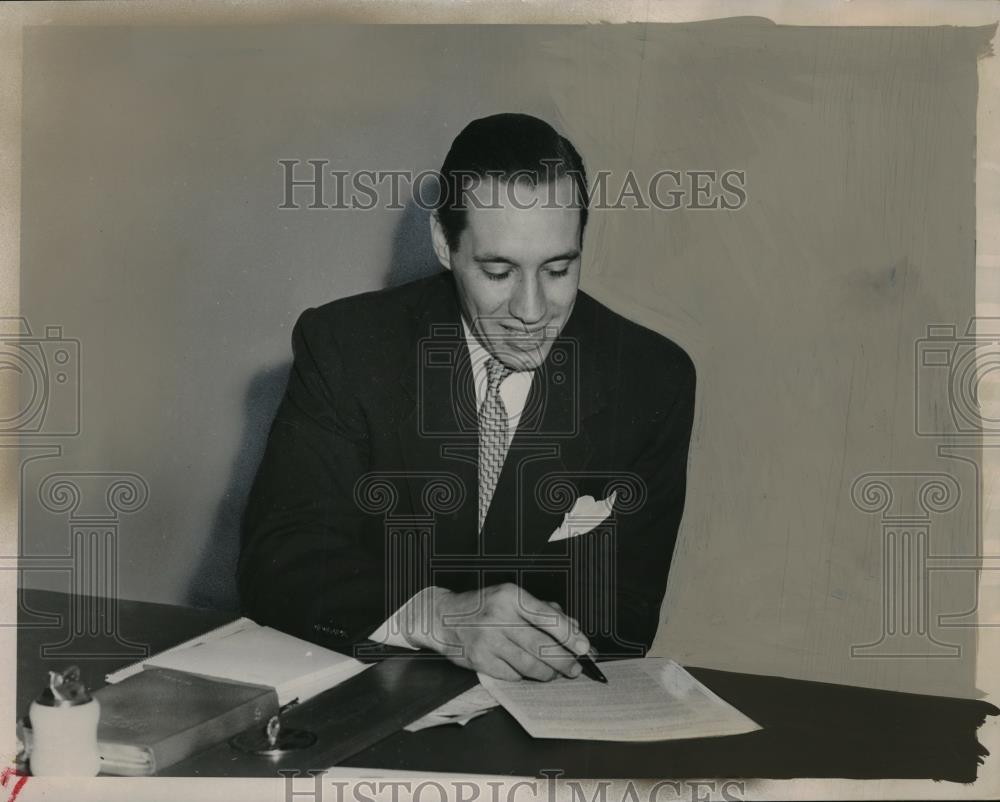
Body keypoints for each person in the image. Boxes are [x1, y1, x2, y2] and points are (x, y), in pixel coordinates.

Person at [237, 113, 696, 682]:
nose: (531, 312)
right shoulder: (347, 346)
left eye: (558, 269)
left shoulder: (653, 379)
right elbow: (278, 562)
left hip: (541, 716)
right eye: (498, 271)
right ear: (442, 243)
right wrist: (437, 615)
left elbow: (623, 616)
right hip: (368, 696)